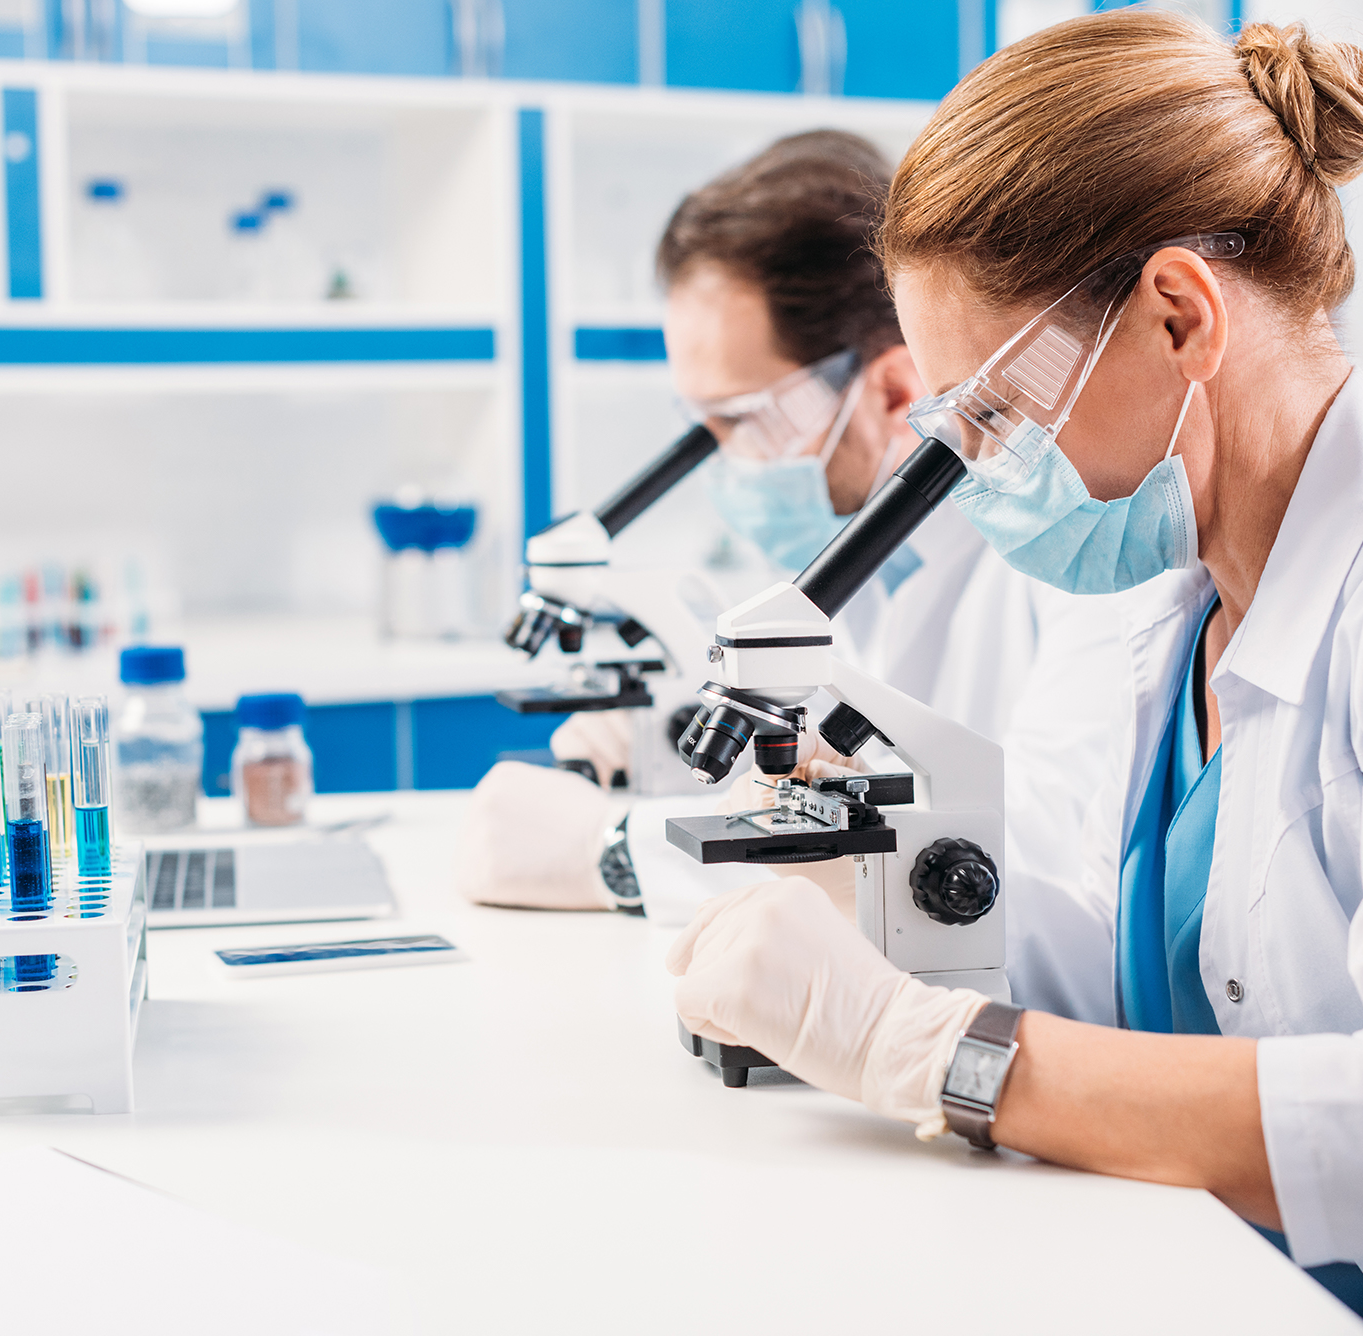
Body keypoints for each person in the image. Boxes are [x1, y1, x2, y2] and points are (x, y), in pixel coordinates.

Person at [665, 13, 1363, 1334]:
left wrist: (914, 1046)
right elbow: (1107, 998)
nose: (981, 476)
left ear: (1178, 315)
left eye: (994, 418)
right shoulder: (1146, 611)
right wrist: (867, 874)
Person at [457, 131, 1125, 1022]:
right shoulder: (846, 560)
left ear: (891, 392)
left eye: (738, 421)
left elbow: (1032, 882)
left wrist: (618, 853)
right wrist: (658, 755)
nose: (723, 462)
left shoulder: (1075, 563)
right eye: (698, 427)